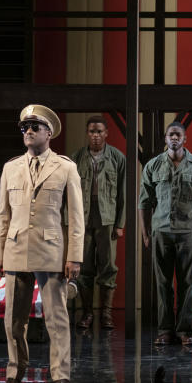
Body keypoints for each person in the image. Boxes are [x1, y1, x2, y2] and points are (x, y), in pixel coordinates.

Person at [0, 105, 84, 383]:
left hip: (51, 251)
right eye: (25, 127)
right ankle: (14, 372)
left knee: (56, 319)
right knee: (13, 321)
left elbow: (76, 217)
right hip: (16, 249)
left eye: (35, 127)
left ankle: (60, 376)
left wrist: (74, 257)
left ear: (49, 133)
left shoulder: (66, 167)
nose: (29, 131)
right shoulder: (10, 168)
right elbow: (3, 214)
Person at [138, 121, 192, 347]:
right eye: (170, 134)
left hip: (187, 232)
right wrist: (145, 233)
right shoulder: (152, 166)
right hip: (160, 231)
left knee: (186, 284)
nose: (174, 138)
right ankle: (164, 331)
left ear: (184, 139)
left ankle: (183, 331)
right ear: (165, 138)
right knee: (162, 284)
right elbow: (144, 202)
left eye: (178, 134)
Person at [71, 115, 126, 330]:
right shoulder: (76, 158)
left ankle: (106, 315)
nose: (95, 136)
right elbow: (69, 193)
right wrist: (70, 223)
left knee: (108, 266)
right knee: (83, 265)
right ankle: (87, 313)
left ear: (106, 134)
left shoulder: (117, 158)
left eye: (99, 132)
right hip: (83, 218)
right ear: (87, 133)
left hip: (108, 218)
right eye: (92, 131)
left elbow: (123, 192)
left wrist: (120, 223)